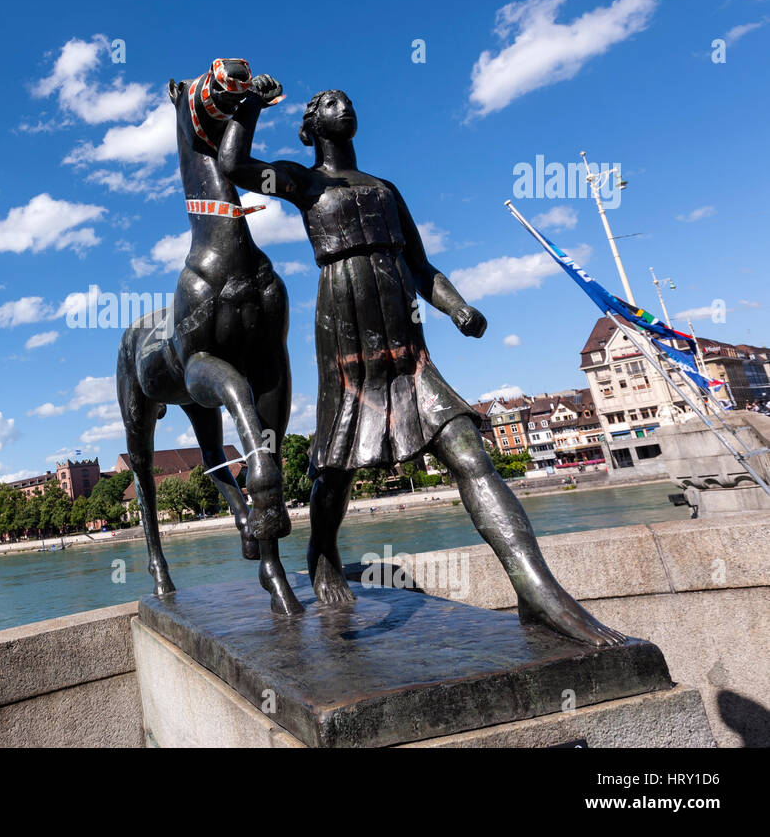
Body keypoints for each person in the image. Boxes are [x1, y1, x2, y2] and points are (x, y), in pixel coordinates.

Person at [218, 82, 624, 646]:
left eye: (349, 99)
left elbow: (420, 265)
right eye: (330, 102)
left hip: (406, 341)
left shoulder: (386, 189)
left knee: (467, 450)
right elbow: (234, 164)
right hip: (345, 335)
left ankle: (536, 590)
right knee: (336, 467)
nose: (345, 106)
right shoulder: (302, 181)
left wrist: (459, 307)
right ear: (311, 125)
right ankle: (323, 550)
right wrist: (250, 107)